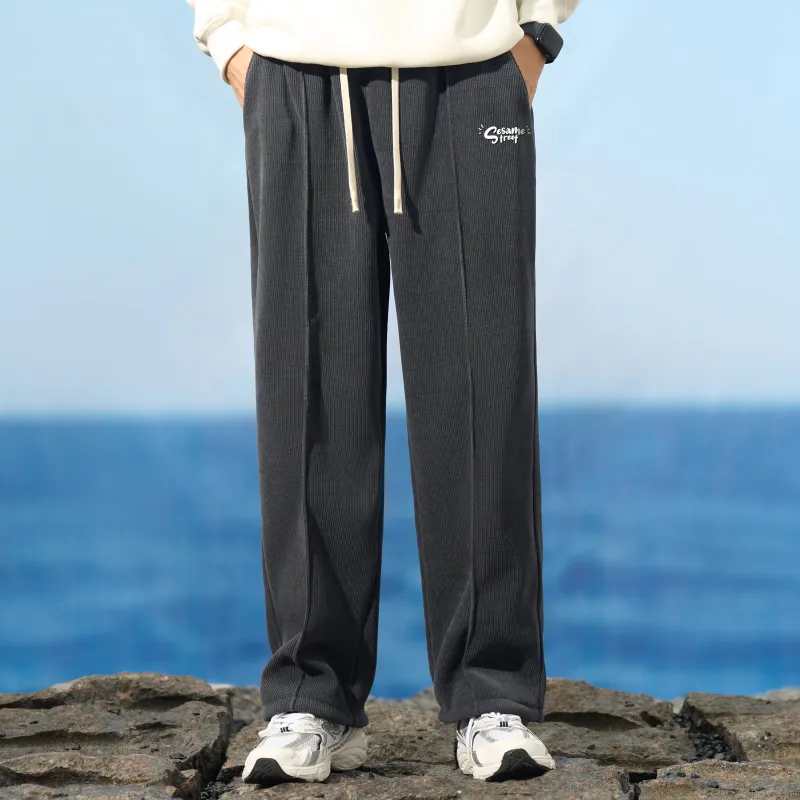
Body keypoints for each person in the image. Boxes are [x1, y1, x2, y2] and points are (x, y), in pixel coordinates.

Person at [187, 0, 581, 786]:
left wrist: (537, 33)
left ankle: (491, 695)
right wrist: (228, 39)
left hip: (471, 70)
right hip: (295, 71)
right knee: (308, 394)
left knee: (483, 387)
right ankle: (310, 697)